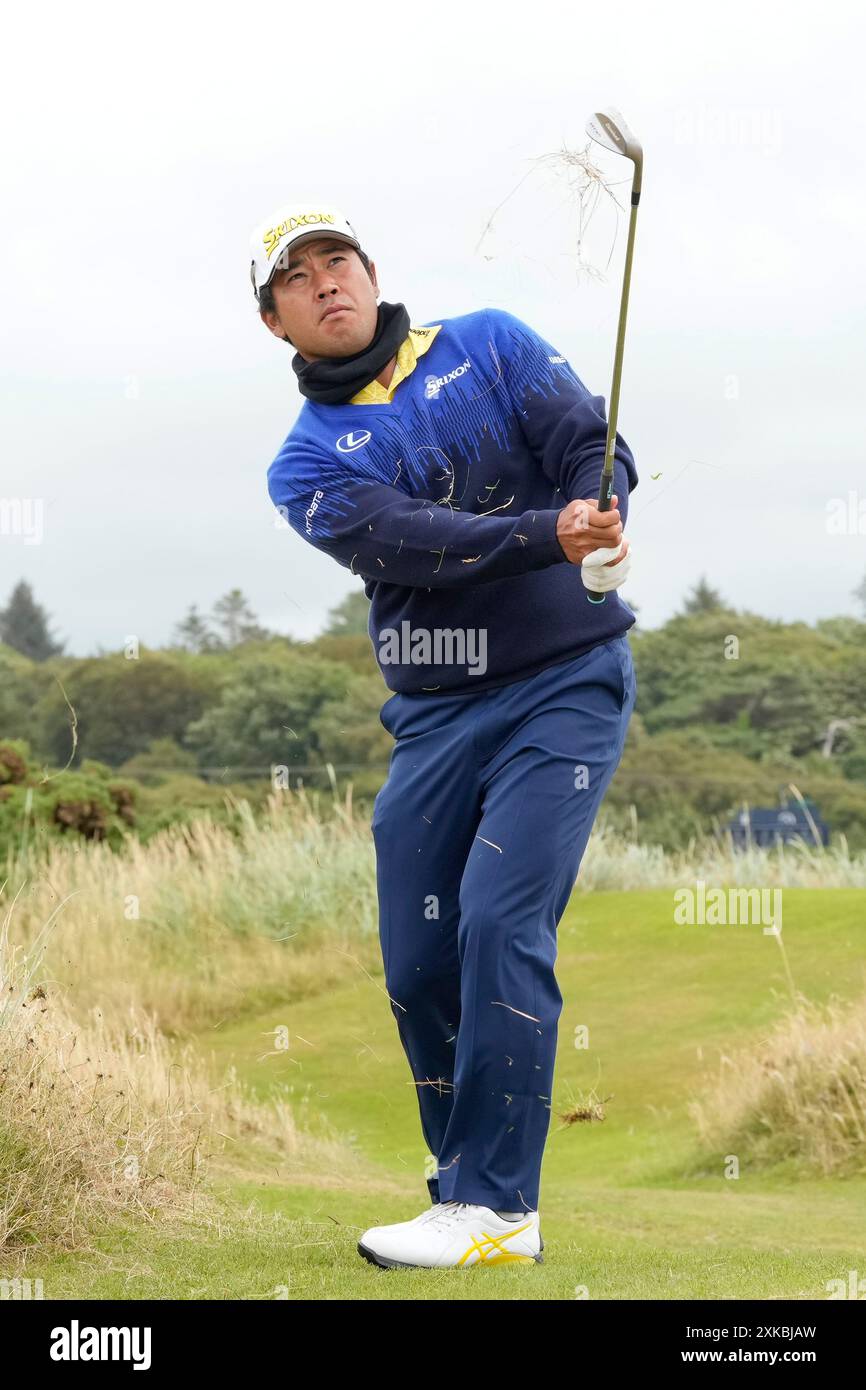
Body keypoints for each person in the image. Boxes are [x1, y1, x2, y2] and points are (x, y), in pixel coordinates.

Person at [250, 201, 638, 1269]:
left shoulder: (491, 344)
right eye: (297, 277)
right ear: (275, 321)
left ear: (370, 272)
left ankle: (494, 1206)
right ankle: (460, 1189)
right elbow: (418, 544)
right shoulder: (306, 465)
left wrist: (599, 501)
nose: (325, 281)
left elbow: (585, 441)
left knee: (496, 921)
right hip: (433, 716)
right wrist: (545, 532)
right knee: (419, 963)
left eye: (338, 259)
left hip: (563, 683)